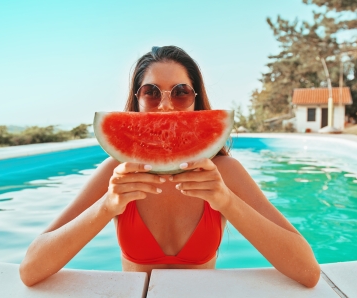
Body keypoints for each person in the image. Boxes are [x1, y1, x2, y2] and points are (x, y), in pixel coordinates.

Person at [19, 46, 320, 288]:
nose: (165, 106)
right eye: (151, 92)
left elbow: (308, 272)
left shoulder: (225, 172)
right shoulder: (117, 170)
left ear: (195, 101)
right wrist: (107, 206)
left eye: (180, 92)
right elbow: (31, 269)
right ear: (136, 100)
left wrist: (226, 201)